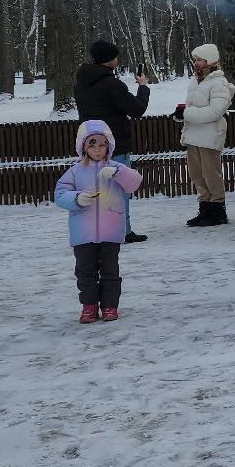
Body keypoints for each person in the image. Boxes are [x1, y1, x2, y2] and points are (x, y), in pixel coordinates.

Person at [54, 120, 145, 322]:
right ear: (83, 147)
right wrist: (76, 198)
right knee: (85, 272)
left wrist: (118, 173)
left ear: (109, 145)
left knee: (110, 271)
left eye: (102, 144)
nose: (97, 149)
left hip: (110, 230)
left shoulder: (116, 167)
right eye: (92, 145)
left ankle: (110, 306)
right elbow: (60, 195)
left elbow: (134, 183)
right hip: (82, 232)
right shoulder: (75, 171)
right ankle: (89, 306)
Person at [75, 39, 151, 242]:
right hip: (114, 145)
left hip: (90, 145)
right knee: (120, 190)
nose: (117, 60)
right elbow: (136, 109)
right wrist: (143, 87)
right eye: (115, 56)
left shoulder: (81, 83)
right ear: (109, 60)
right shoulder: (112, 84)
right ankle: (122, 231)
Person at [177, 43, 235, 227]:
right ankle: (205, 209)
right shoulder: (195, 81)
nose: (196, 63)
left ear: (210, 61)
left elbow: (214, 112)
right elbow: (194, 108)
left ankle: (217, 210)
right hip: (194, 134)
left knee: (211, 174)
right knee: (197, 174)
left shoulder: (218, 83)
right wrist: (181, 115)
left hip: (210, 135)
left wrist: (186, 114)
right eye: (195, 60)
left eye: (200, 60)